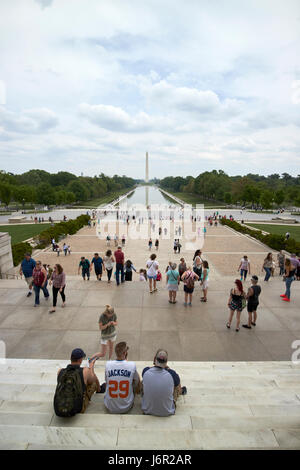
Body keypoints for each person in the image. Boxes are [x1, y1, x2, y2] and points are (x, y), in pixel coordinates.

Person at [54, 348, 103, 417]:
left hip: (58, 409)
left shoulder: (60, 371)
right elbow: (92, 379)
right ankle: (99, 390)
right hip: (76, 409)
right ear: (80, 360)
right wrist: (91, 367)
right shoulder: (85, 371)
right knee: (93, 382)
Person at [141, 349, 187, 417]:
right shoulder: (172, 374)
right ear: (166, 362)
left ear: (154, 359)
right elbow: (177, 386)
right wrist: (168, 369)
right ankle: (181, 392)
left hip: (147, 410)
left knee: (143, 381)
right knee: (176, 387)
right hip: (167, 411)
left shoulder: (145, 371)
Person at [103, 342, 141, 414]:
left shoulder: (108, 364)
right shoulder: (132, 365)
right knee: (135, 378)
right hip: (126, 406)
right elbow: (137, 381)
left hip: (110, 406)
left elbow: (106, 381)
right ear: (125, 353)